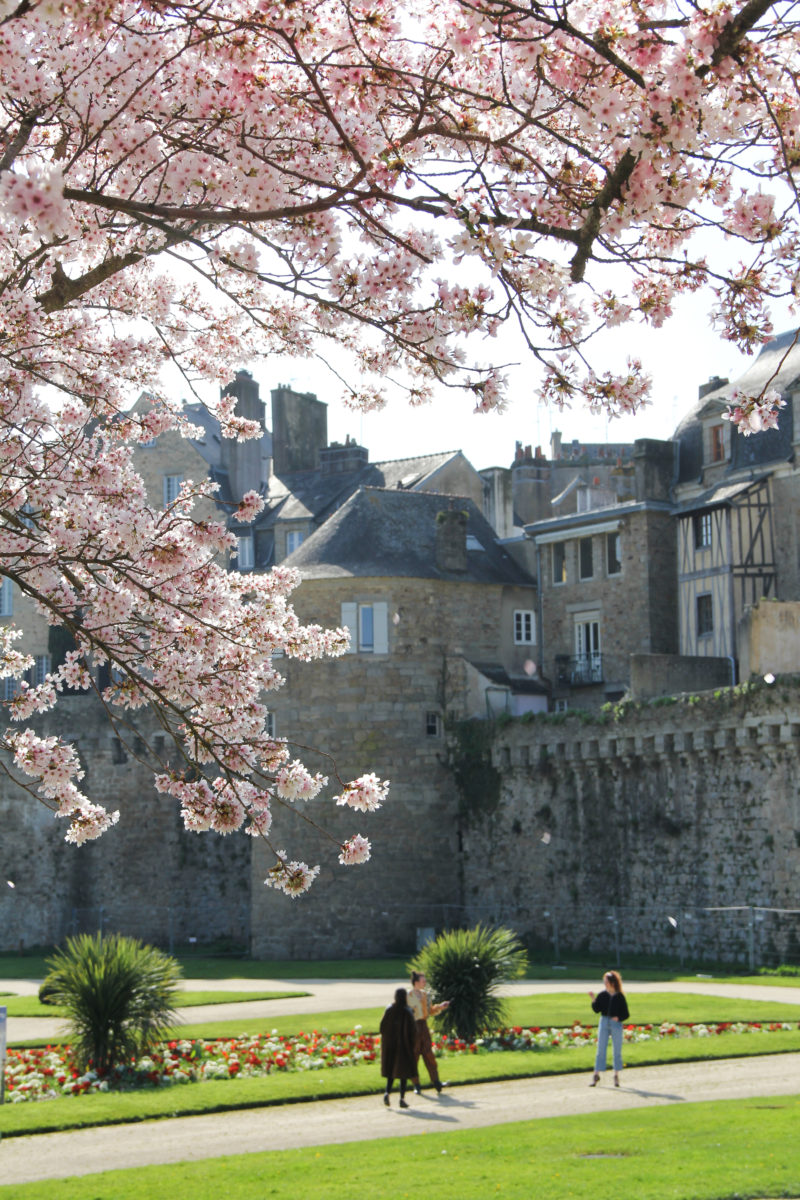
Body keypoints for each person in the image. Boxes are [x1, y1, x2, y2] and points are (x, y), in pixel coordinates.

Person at [408, 970, 450, 1095]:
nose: (425, 983)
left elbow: (430, 1011)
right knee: (414, 1056)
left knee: (428, 1054)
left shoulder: (426, 995)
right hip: (413, 1027)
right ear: (416, 982)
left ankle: (436, 1081)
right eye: (423, 981)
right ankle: (416, 1084)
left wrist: (440, 1007)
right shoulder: (408, 996)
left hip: (423, 1027)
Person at [589, 970, 629, 1088]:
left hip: (615, 1023)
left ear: (612, 983)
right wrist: (593, 999)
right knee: (601, 1049)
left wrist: (618, 1018)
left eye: (606, 982)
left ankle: (616, 1075)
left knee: (617, 1050)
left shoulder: (619, 996)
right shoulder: (603, 995)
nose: (605, 984)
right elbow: (597, 1009)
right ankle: (596, 1074)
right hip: (604, 1021)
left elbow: (626, 1014)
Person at [380, 987, 417, 1107]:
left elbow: (382, 1028)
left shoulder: (389, 1009)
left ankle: (387, 1093)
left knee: (391, 1072)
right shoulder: (407, 1011)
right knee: (403, 1073)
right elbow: (413, 1031)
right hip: (403, 1046)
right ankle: (401, 1098)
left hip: (390, 1046)